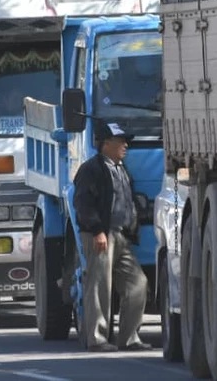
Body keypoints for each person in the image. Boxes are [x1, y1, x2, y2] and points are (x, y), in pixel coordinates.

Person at [72, 121, 151, 353]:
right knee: (99, 286)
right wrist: (97, 231)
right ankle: (96, 339)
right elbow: (82, 203)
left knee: (138, 284)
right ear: (105, 144)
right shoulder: (91, 169)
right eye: (120, 142)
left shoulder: (120, 167)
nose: (125, 145)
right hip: (101, 236)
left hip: (121, 237)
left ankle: (129, 338)